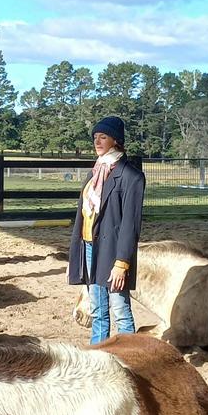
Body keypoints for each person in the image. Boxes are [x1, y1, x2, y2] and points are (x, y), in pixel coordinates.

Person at [68, 116, 146, 345]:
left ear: (116, 140)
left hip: (113, 252)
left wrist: (122, 263)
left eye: (103, 137)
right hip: (89, 247)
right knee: (97, 310)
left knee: (120, 309)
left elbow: (130, 224)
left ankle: (129, 356)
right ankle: (98, 354)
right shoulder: (95, 172)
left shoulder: (131, 176)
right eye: (95, 137)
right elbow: (83, 216)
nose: (97, 141)